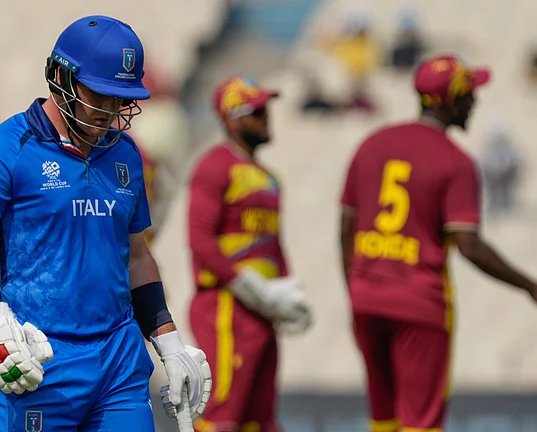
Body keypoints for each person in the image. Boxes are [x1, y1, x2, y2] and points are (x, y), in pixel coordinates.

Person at [0, 15, 211, 432]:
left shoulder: (126, 155)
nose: (110, 109)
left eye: (119, 98)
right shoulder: (8, 148)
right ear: (61, 78)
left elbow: (138, 257)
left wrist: (169, 342)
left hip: (120, 361)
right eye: (100, 94)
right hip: (41, 357)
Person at [339, 55, 537, 432]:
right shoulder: (455, 161)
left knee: (384, 420)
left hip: (367, 299)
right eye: (469, 95)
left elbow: (345, 227)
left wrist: (355, 287)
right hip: (420, 305)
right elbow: (469, 244)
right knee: (421, 424)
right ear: (449, 102)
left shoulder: (372, 143)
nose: (475, 102)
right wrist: (529, 285)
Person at [188, 75, 313, 432]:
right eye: (256, 111)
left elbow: (272, 243)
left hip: (261, 310)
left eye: (266, 109)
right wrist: (245, 285)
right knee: (222, 416)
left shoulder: (269, 177)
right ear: (231, 117)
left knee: (261, 420)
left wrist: (287, 290)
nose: (266, 117)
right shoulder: (215, 166)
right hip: (226, 305)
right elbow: (200, 239)